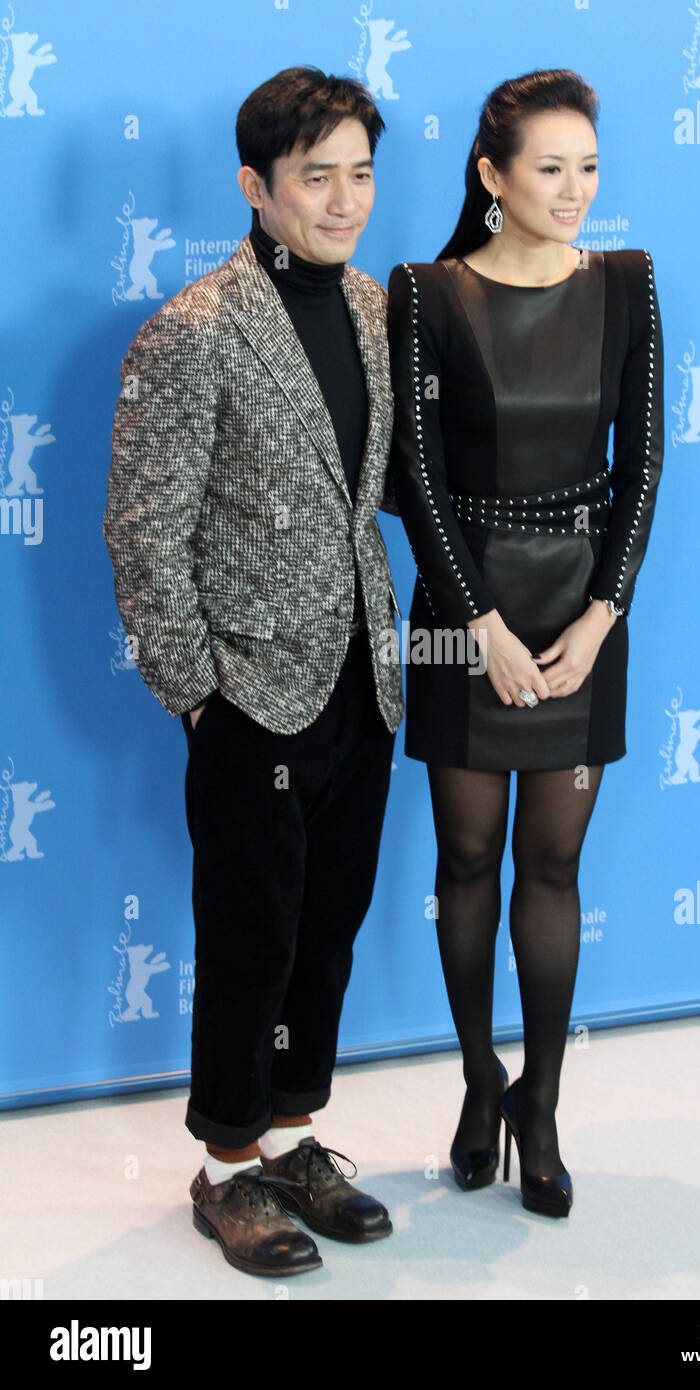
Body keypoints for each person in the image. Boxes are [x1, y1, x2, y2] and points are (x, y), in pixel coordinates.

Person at [103, 67, 404, 1277]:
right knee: (251, 931)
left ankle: (292, 1138)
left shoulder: (380, 311)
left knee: (328, 921)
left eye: (360, 174)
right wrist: (196, 691)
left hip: (360, 678)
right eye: (315, 176)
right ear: (255, 186)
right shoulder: (192, 329)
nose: (343, 200)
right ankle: (227, 1164)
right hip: (248, 693)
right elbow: (142, 527)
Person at [386, 68, 664, 1218]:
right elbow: (415, 476)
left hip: (581, 618)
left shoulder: (627, 284)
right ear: (491, 177)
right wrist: (480, 627)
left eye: (587, 166)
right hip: (463, 617)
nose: (573, 190)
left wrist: (601, 619)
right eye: (548, 168)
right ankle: (475, 1080)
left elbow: (641, 465)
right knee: (464, 863)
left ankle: (540, 1105)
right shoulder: (425, 292)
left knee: (551, 867)